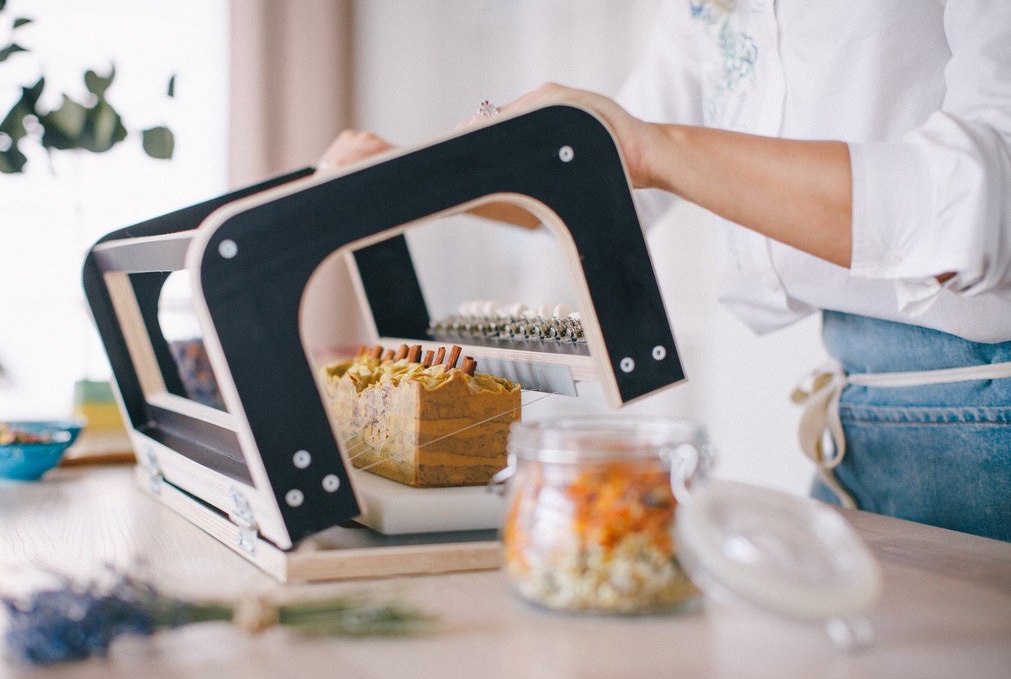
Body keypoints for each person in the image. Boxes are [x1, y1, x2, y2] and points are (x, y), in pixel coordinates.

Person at [317, 0, 1011, 542]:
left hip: (987, 422)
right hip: (856, 420)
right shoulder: (697, 13)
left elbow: (983, 201)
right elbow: (609, 175)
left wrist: (642, 145)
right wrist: (406, 175)